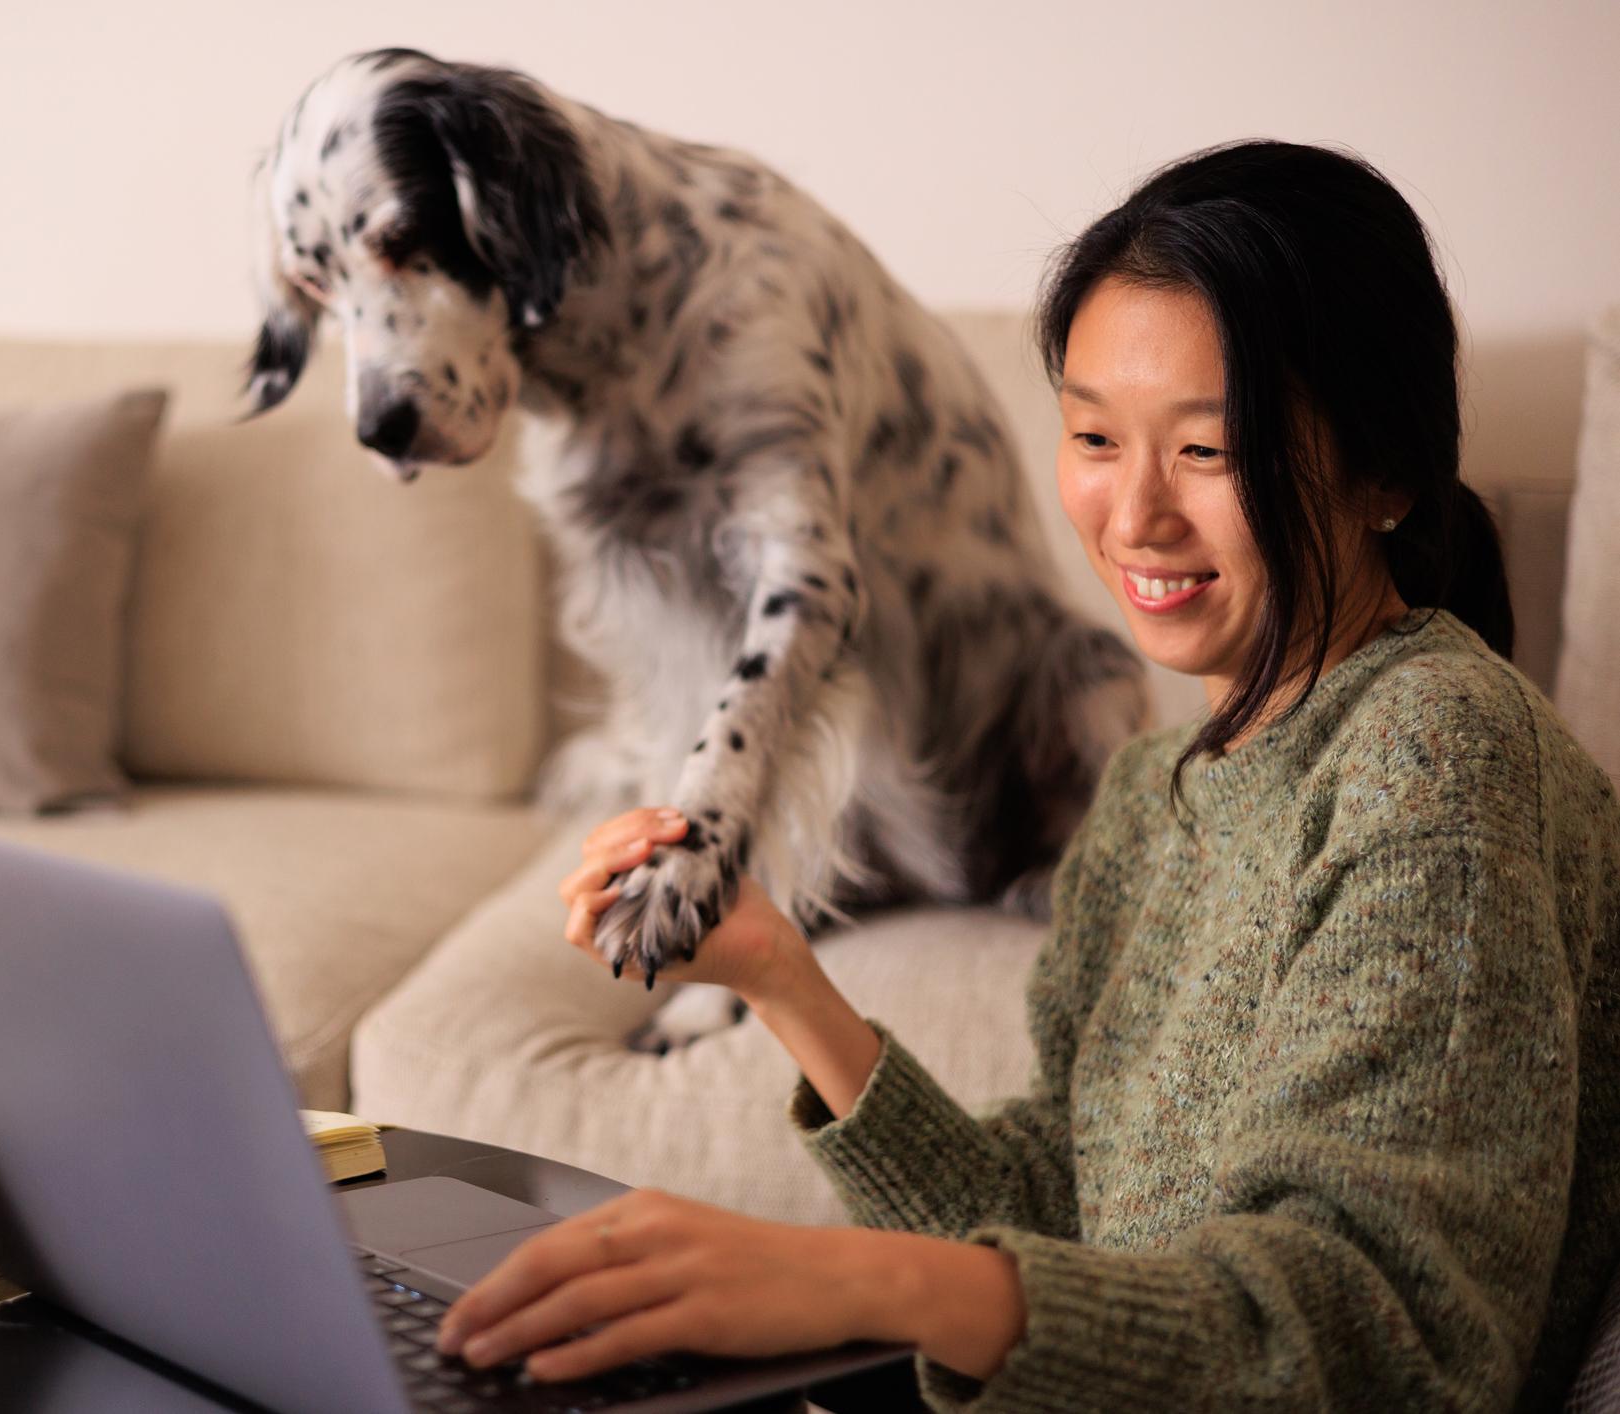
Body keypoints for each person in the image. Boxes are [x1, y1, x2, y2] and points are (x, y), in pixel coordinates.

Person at [430, 140, 1620, 1412]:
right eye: (1095, 436)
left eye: (1210, 453)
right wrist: (778, 976)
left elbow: (1381, 1339)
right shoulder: (1154, 789)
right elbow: (1051, 1228)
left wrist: (859, 1284)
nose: (1135, 515)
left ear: (1382, 473)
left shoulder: (1438, 755)